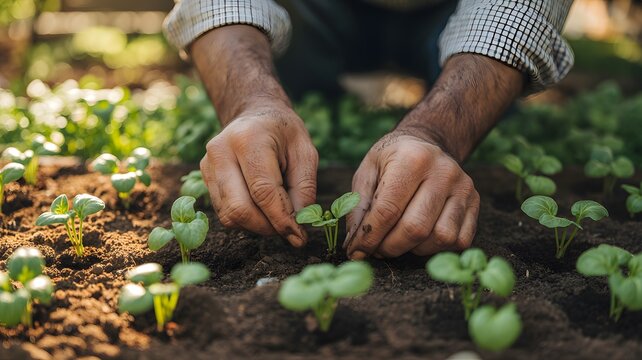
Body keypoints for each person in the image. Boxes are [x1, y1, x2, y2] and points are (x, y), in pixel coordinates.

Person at [163, 0, 574, 259]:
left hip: (458, 12)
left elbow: (520, 12)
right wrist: (250, 101)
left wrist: (438, 132)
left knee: (496, 111)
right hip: (315, 11)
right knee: (297, 83)